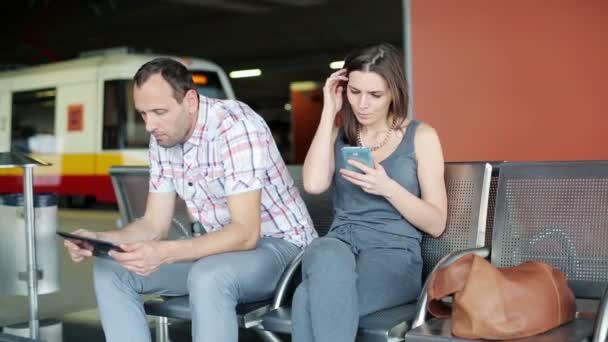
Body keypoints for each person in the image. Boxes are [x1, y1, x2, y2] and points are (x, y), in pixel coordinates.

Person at [63, 57, 317, 342]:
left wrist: (163, 252)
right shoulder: (163, 136)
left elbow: (246, 233)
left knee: (209, 276)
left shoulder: (235, 126)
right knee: (111, 269)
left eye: (159, 111)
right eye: (143, 114)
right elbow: (153, 224)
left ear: (191, 101)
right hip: (222, 251)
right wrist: (101, 239)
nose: (150, 125)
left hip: (285, 251)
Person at [294, 43, 448, 341]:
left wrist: (388, 188)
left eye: (375, 95)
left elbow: (436, 223)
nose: (362, 104)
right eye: (355, 92)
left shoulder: (422, 136)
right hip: (340, 246)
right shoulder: (339, 135)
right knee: (325, 250)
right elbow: (313, 184)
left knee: (305, 299)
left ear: (394, 93)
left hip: (393, 256)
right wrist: (329, 111)